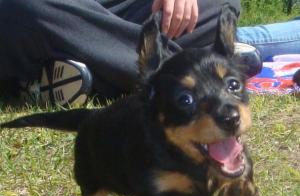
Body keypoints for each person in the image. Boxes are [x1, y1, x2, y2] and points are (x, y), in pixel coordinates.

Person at [0, 0, 299, 106]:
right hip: (44, 14)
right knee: (22, 8)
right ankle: (192, 67)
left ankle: (74, 74)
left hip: (107, 16)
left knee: (218, 4)